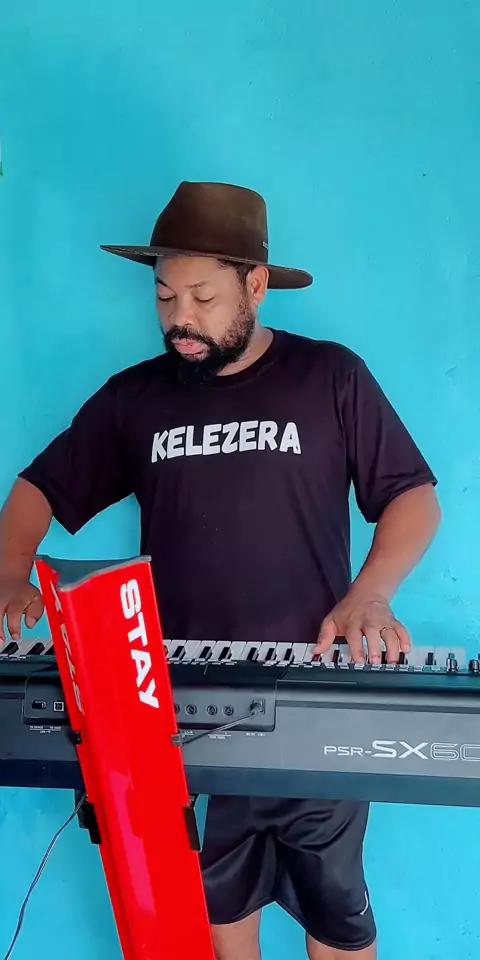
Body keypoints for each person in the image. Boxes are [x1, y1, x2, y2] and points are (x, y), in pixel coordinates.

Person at [0, 181, 440, 960]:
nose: (180, 318)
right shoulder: (135, 398)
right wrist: (8, 572)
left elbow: (413, 496)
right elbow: (39, 489)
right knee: (217, 917)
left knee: (336, 923)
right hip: (183, 710)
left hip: (314, 696)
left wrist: (371, 594)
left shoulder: (330, 377)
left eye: (202, 297)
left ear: (255, 286)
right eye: (165, 297)